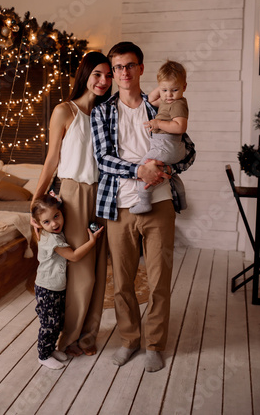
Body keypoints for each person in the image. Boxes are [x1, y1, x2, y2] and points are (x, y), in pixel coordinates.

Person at [91, 42, 195, 372]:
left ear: (141, 69)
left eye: (130, 65)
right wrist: (138, 170)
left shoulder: (161, 105)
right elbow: (102, 158)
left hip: (159, 202)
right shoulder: (102, 112)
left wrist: (164, 170)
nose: (123, 72)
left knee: (159, 278)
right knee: (122, 282)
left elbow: (188, 150)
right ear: (113, 72)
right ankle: (129, 340)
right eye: (117, 67)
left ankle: (154, 344)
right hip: (119, 206)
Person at [31, 51, 112, 357]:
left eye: (108, 75)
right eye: (97, 74)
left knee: (100, 271)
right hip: (74, 194)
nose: (103, 81)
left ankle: (87, 338)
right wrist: (35, 204)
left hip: (103, 193)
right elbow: (52, 159)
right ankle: (66, 340)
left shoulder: (106, 114)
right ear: (85, 75)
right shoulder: (66, 111)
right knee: (82, 272)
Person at [32, 193, 104, 370]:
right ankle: (43, 355)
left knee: (57, 321)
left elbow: (56, 208)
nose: (54, 224)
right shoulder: (53, 239)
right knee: (49, 324)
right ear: (39, 224)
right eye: (46, 222)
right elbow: (73, 256)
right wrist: (92, 241)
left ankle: (50, 350)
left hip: (56, 287)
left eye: (56, 216)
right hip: (46, 287)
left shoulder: (51, 232)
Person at [130, 60, 189, 215]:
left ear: (184, 87)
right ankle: (182, 201)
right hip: (170, 148)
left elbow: (180, 127)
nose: (169, 95)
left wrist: (158, 123)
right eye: (164, 91)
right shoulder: (167, 100)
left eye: (174, 90)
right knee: (170, 174)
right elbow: (150, 99)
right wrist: (164, 86)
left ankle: (144, 202)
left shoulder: (178, 104)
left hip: (166, 146)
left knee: (143, 168)